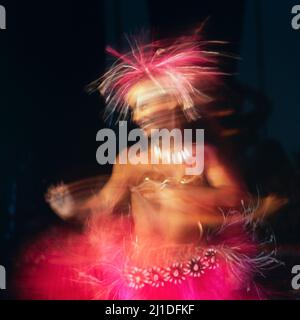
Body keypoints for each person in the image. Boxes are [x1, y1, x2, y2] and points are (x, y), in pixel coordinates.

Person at [15, 34, 274, 300]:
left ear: (177, 103)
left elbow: (236, 197)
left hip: (195, 274)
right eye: (138, 107)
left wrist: (187, 195)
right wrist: (75, 207)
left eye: (152, 102)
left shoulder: (205, 155)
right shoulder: (130, 160)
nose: (144, 113)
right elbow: (107, 202)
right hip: (141, 275)